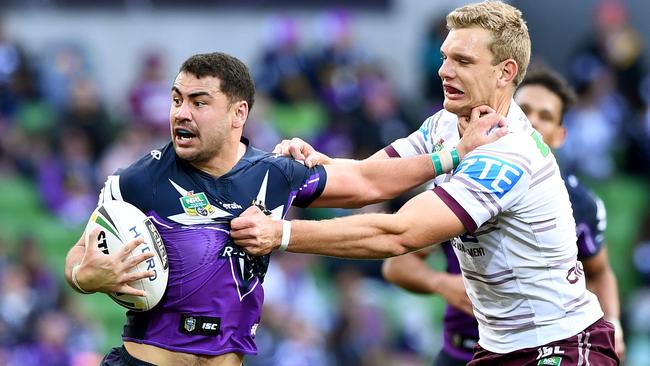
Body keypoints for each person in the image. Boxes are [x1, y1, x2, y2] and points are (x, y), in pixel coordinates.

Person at [230, 2, 620, 365]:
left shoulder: (508, 151)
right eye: (445, 56)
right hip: (500, 347)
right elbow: (367, 179)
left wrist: (280, 234)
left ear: (505, 72)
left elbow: (399, 235)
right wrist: (289, 171)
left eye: (463, 61)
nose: (444, 70)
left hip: (560, 346)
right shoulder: (446, 123)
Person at [63, 52, 503, 366]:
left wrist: (455, 154)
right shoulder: (139, 179)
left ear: (239, 114)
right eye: (177, 99)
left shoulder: (275, 174)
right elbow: (78, 258)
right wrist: (85, 277)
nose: (181, 113)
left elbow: (367, 182)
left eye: (199, 102)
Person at [381, 66, 626, 366]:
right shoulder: (465, 184)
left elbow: (599, 272)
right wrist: (442, 284)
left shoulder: (579, 204)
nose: (532, 121)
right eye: (524, 110)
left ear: (560, 135)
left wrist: (614, 323)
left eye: (545, 116)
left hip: (539, 351)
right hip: (463, 350)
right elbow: (397, 265)